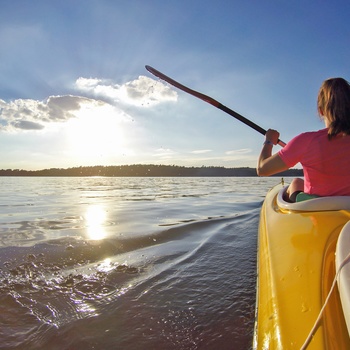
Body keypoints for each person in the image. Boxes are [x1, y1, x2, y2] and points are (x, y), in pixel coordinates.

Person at [257, 77, 350, 202]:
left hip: (316, 211)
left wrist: (269, 141)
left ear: (321, 111)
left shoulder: (306, 141)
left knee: (296, 183)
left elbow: (263, 169)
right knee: (298, 182)